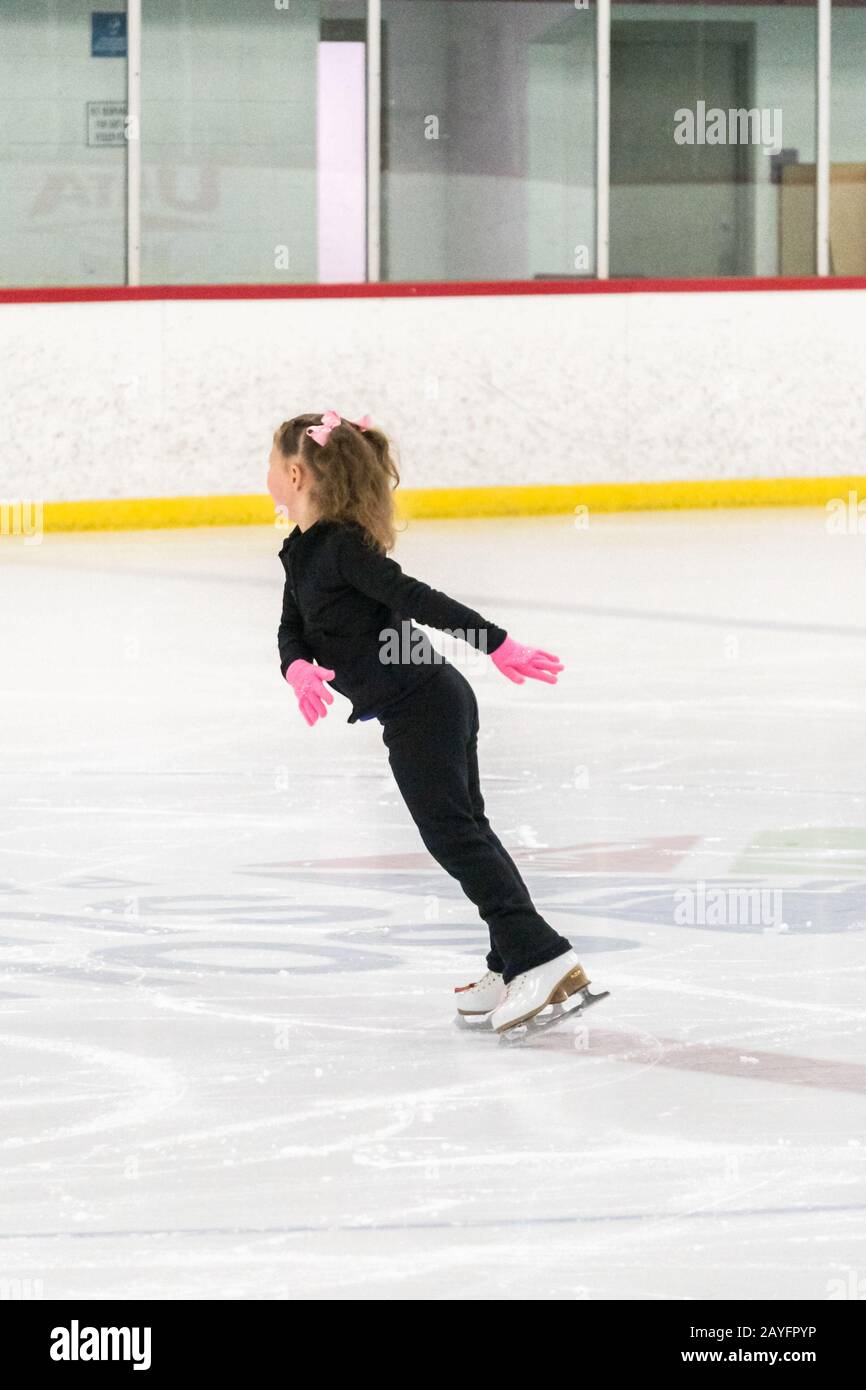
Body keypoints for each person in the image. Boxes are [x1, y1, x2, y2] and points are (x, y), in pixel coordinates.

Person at [267, 410, 605, 1036]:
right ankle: (510, 959)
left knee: (455, 837)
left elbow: (416, 598)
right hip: (416, 704)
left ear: (293, 472)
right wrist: (296, 671)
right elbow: (292, 627)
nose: (265, 476)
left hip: (426, 703)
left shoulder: (342, 547)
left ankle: (542, 956)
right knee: (465, 831)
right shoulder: (301, 550)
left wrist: (496, 644)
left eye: (269, 465)